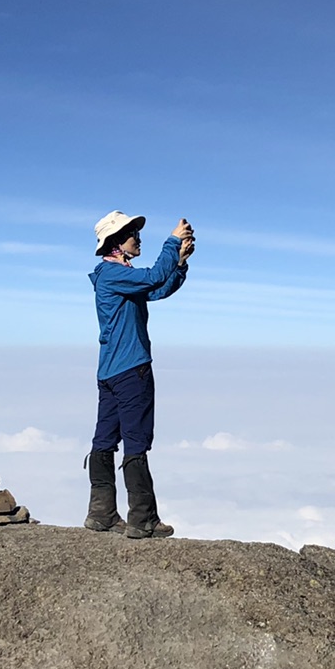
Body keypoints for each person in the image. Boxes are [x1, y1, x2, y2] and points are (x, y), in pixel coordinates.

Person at [85, 210, 193, 537]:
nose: (138, 238)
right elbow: (151, 279)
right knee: (136, 441)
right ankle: (142, 519)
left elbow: (156, 289)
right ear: (117, 242)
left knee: (105, 439)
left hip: (110, 371)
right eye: (133, 233)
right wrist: (172, 242)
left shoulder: (115, 275)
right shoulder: (113, 274)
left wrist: (180, 264)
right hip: (132, 371)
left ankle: (101, 513)